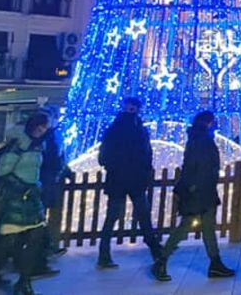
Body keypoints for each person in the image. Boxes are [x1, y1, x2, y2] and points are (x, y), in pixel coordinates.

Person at [152, 111, 234, 282]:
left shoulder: (200, 139)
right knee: (185, 227)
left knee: (208, 228)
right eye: (214, 122)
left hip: (204, 191)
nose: (216, 125)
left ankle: (215, 263)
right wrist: (194, 188)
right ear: (208, 123)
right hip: (198, 192)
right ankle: (161, 260)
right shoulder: (201, 141)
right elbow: (197, 167)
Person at [97, 97, 162, 268]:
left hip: (129, 179)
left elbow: (146, 152)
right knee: (123, 216)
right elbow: (104, 155)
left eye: (133, 108)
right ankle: (155, 251)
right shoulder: (121, 129)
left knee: (138, 215)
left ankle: (155, 250)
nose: (130, 110)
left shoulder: (135, 128)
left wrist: (144, 169)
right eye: (128, 107)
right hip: (126, 179)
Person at [0, 112, 50, 295]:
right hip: (16, 200)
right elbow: (3, 172)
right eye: (43, 126)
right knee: (7, 243)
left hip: (32, 200)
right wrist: (22, 187)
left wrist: (36, 186)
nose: (45, 129)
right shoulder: (18, 145)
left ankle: (25, 280)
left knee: (35, 240)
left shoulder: (38, 146)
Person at [37, 112, 67, 265]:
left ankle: (48, 247)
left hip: (50, 180)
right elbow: (54, 158)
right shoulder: (47, 137)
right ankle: (43, 250)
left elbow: (59, 157)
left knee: (46, 216)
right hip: (46, 181)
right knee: (40, 217)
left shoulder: (54, 135)